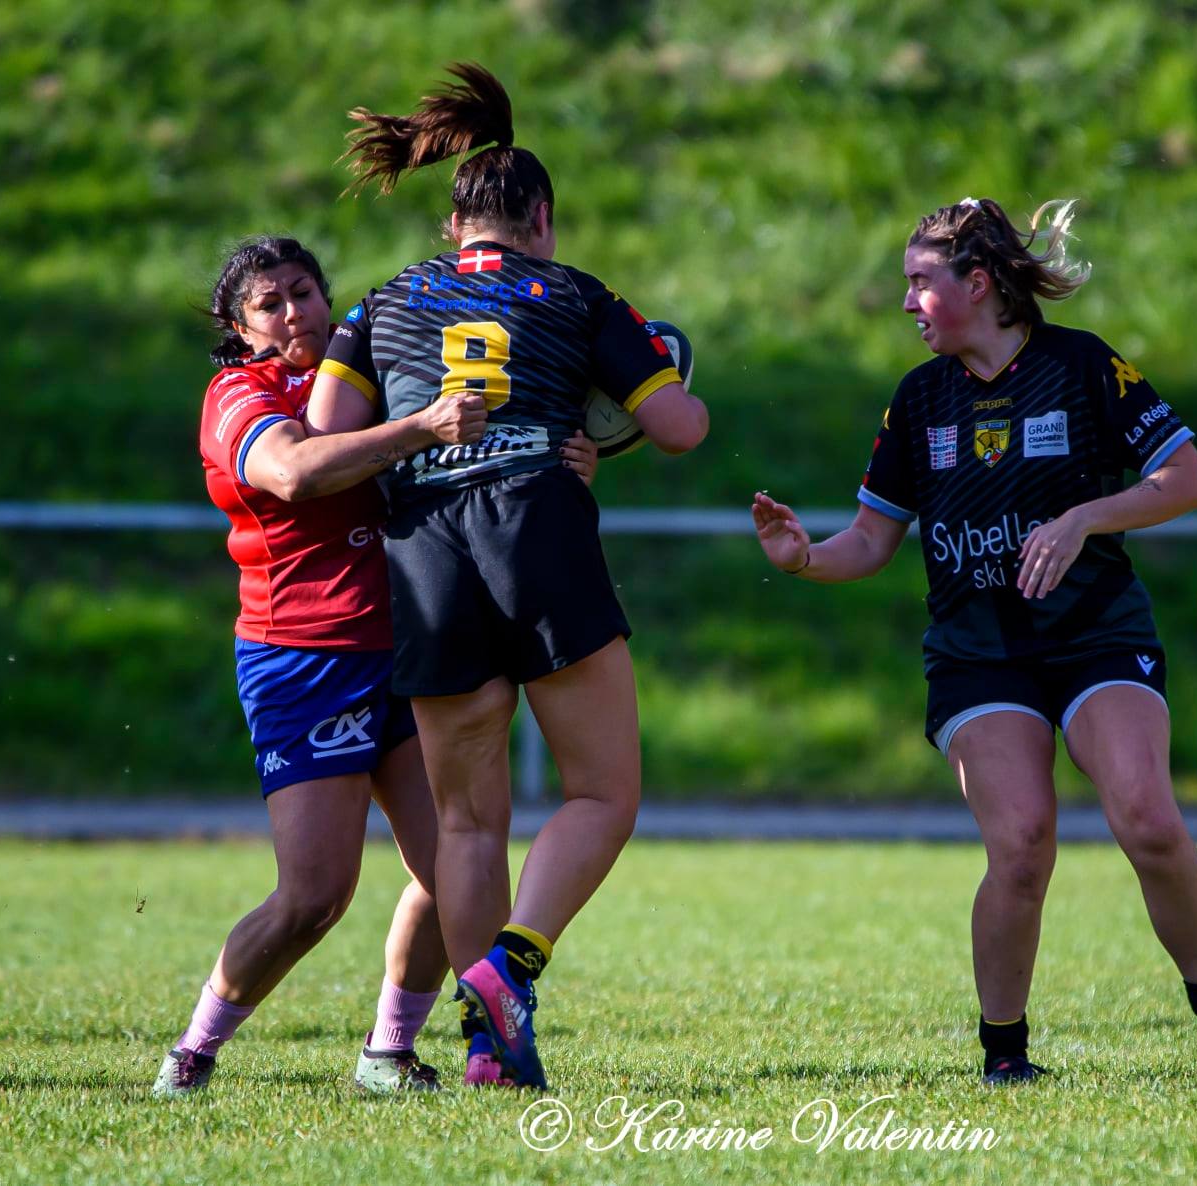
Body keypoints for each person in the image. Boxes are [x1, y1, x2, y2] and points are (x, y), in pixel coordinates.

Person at [751, 197, 1197, 1084]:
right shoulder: (918, 400)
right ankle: (1005, 1056)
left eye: (919, 283)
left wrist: (1084, 518)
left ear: (979, 284)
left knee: (1147, 817)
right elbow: (869, 541)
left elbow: (1184, 478)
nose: (905, 303)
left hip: (1094, 635)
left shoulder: (1081, 367)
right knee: (1022, 842)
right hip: (978, 656)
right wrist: (803, 557)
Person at [305, 63, 709, 1090]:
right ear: (541, 218)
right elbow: (679, 426)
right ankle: (506, 969)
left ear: (453, 225)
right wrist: (589, 428)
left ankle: (490, 1050)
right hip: (535, 523)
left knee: (471, 821)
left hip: (425, 544)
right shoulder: (575, 293)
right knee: (604, 790)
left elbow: (324, 437)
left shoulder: (383, 300)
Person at [154, 235, 601, 1098]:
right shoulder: (238, 392)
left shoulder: (370, 372)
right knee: (313, 897)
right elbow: (291, 471)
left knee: (455, 867)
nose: (295, 314)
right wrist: (421, 427)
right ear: (240, 329)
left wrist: (571, 457)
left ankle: (388, 1052)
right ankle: (194, 1051)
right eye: (270, 305)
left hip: (409, 642)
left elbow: (480, 446)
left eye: (306, 293)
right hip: (304, 657)